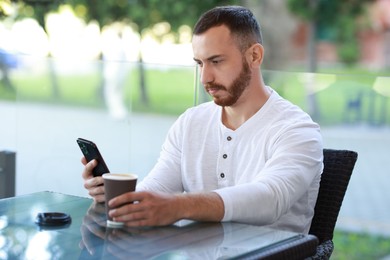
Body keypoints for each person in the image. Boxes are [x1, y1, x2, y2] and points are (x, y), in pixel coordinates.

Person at [82, 5, 323, 234]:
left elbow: (271, 198)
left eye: (216, 61)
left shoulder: (297, 130)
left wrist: (179, 206)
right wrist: (118, 199)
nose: (204, 78)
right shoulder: (190, 123)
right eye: (199, 63)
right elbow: (157, 192)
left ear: (255, 56)